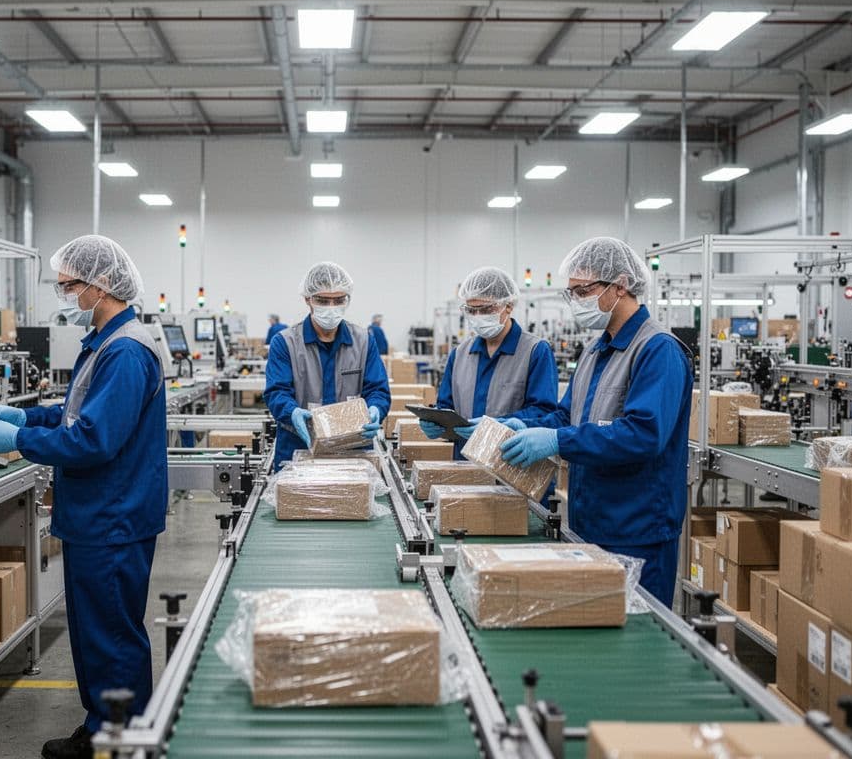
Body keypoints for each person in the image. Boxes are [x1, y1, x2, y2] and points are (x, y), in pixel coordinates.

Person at [0, 235, 167, 759]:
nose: (65, 296)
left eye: (69, 286)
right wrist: (27, 417)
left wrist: (21, 443)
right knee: (94, 633)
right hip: (97, 516)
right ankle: (102, 724)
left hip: (113, 517)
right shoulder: (105, 342)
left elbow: (93, 439)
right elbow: (77, 413)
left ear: (100, 286)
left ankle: (120, 741)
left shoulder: (125, 351)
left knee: (111, 637)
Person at [497, 237, 692, 607]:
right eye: (571, 293)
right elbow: (566, 414)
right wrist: (522, 427)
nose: (577, 302)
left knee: (637, 639)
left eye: (583, 290)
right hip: (590, 520)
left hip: (637, 528)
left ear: (620, 285)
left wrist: (558, 441)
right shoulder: (595, 348)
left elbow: (643, 434)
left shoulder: (658, 350)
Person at [264, 262, 391, 471]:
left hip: (353, 454)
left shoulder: (364, 341)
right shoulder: (286, 342)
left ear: (347, 299)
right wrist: (292, 412)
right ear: (308, 299)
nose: (331, 308)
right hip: (298, 451)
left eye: (339, 300)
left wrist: (375, 408)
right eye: (323, 300)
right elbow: (277, 392)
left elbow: (377, 389)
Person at [422, 267, 558, 458]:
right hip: (465, 465)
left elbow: (545, 413)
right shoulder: (460, 354)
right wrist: (436, 420)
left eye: (486, 309)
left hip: (511, 463)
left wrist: (500, 425)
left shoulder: (535, 351)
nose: (478, 317)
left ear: (508, 305)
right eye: (471, 310)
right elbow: (447, 406)